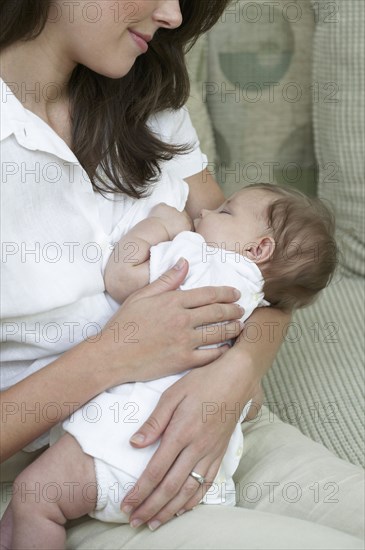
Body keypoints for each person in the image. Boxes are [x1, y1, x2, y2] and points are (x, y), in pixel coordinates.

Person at [0, 2, 363, 549]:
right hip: (73, 473)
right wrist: (117, 353)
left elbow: (265, 281)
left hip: (223, 432)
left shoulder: (144, 98)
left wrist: (234, 374)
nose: (172, 13)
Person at [2, 182, 338, 549]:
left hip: (126, 441)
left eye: (224, 212)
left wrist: (161, 224)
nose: (204, 213)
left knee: (35, 498)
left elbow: (121, 276)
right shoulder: (254, 307)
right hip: (195, 469)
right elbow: (252, 401)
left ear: (258, 248)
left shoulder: (196, 257)